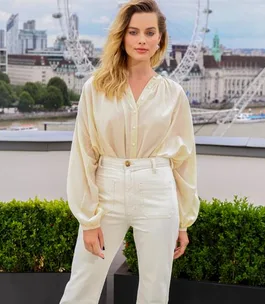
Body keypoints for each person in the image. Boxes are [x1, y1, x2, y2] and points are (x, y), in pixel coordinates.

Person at [60, 0, 200, 303]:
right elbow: (84, 154)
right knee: (83, 281)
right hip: (107, 186)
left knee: (155, 288)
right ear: (122, 36)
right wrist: (88, 220)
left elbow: (184, 162)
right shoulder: (95, 89)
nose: (142, 40)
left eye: (150, 32)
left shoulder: (173, 95)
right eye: (134, 32)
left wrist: (183, 221)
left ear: (160, 39)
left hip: (158, 189)